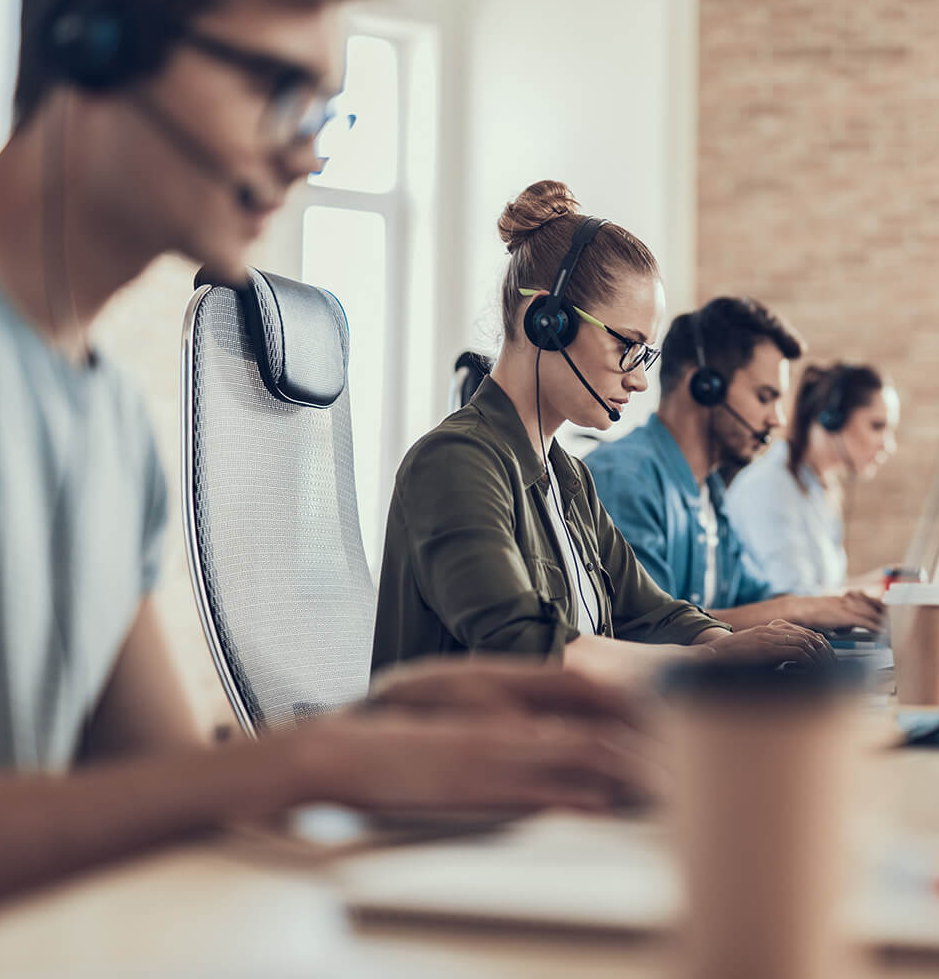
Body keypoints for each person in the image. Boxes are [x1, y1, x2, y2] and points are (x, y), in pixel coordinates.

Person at [0, 0, 650, 907]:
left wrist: (391, 740)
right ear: (97, 37)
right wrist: (304, 761)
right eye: (277, 90)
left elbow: (168, 797)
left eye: (326, 111)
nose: (307, 157)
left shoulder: (106, 421)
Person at [371, 181, 833, 680]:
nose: (638, 379)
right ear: (545, 322)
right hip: (465, 754)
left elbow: (655, 613)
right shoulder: (454, 463)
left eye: (645, 355)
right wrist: (714, 659)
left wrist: (745, 648)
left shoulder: (568, 478)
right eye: (626, 347)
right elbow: (520, 646)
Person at [586, 298, 885, 633]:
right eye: (764, 397)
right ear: (704, 387)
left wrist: (837, 607)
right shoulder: (626, 478)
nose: (778, 419)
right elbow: (650, 626)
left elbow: (757, 597)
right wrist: (796, 609)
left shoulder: (712, 494)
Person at [727, 363, 899, 596]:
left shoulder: (821, 487)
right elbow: (796, 598)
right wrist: (879, 595)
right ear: (833, 419)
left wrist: (887, 584)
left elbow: (826, 590)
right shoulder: (770, 486)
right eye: (877, 426)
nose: (888, 446)